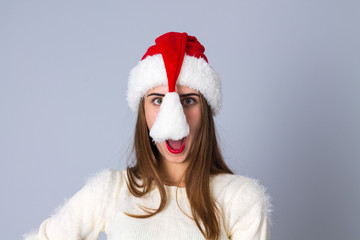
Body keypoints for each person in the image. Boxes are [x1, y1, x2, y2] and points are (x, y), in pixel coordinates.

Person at [24, 32, 271, 240]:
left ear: (205, 111)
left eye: (188, 100)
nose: (175, 118)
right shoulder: (111, 190)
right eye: (158, 100)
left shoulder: (241, 199)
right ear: (143, 110)